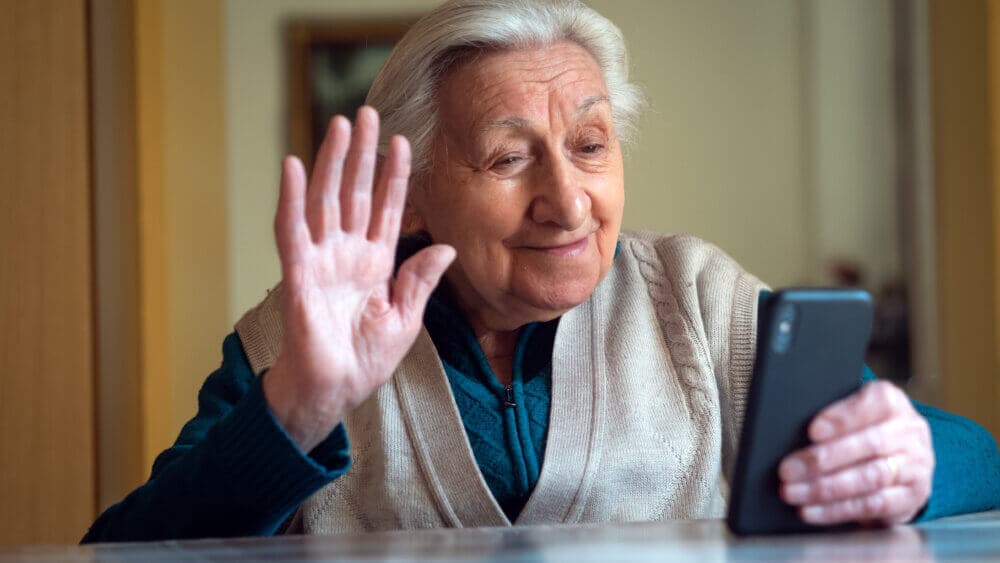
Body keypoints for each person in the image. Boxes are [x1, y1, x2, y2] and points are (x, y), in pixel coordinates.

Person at [83, 0, 1000, 542]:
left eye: (591, 145)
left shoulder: (702, 299)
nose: (569, 201)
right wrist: (298, 409)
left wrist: (914, 462)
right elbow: (118, 550)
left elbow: (976, 459)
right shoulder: (302, 334)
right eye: (510, 158)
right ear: (410, 192)